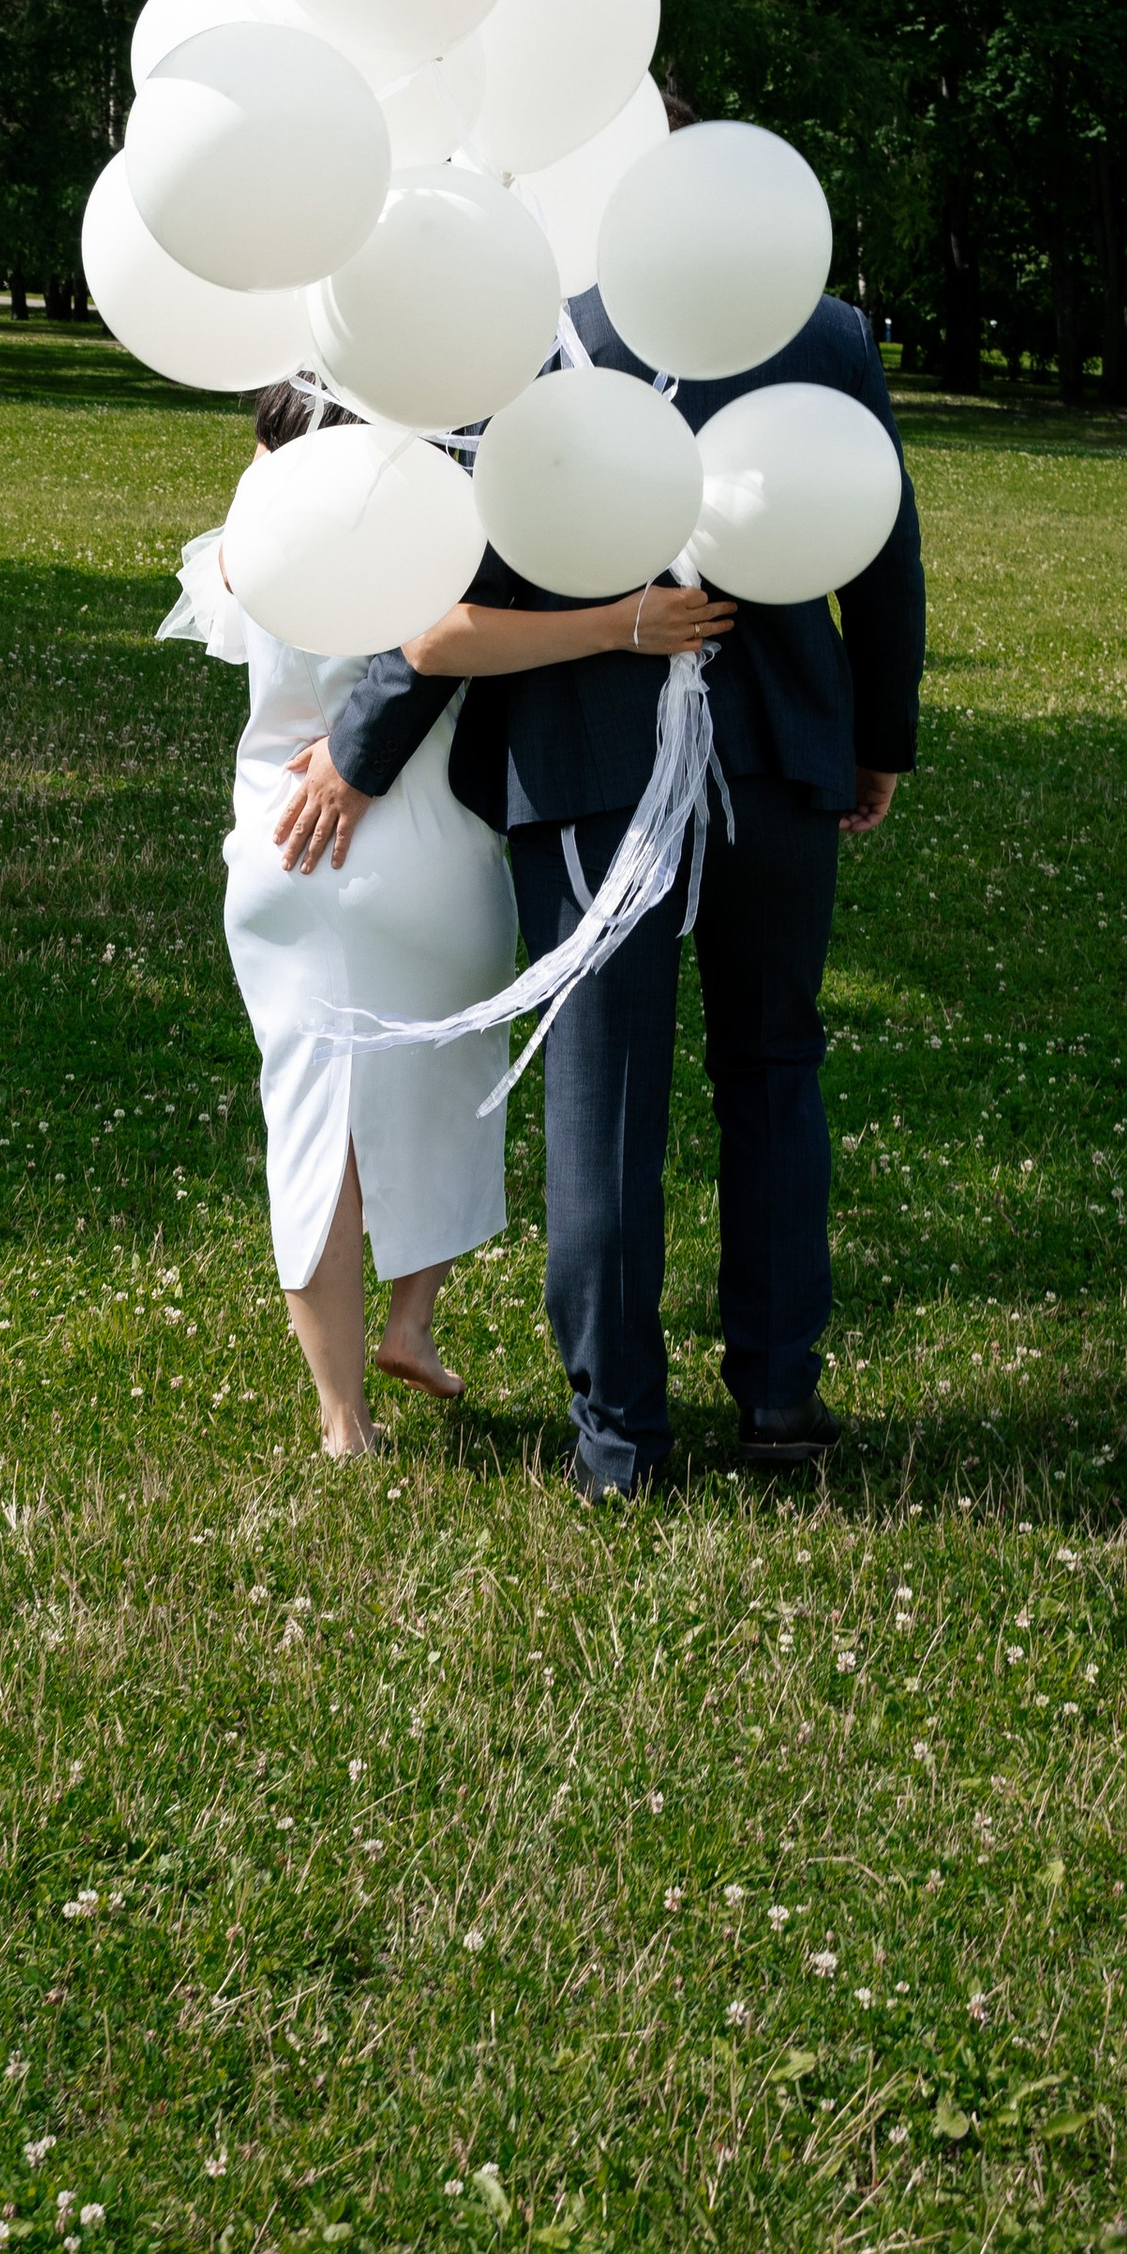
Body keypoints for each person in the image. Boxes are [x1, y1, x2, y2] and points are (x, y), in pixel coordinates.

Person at [284, 278, 925, 1499]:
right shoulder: (825, 328)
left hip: (587, 760)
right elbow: (882, 542)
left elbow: (467, 556)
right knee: (774, 1067)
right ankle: (777, 1396)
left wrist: (363, 747)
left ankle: (621, 1439)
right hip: (780, 748)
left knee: (604, 1088)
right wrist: (874, 734)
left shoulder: (532, 326)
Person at [160, 384, 524, 1458]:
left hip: (277, 841)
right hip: (422, 846)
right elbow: (443, 645)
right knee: (449, 1083)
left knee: (312, 1122)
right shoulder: (417, 521)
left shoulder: (254, 530)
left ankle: (341, 1418)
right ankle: (411, 1318)